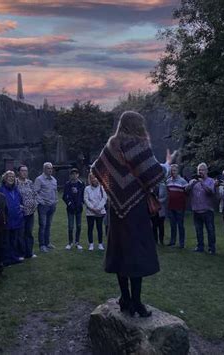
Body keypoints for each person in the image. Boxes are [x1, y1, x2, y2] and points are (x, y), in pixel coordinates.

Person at [92, 111, 171, 318]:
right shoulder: (139, 145)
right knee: (136, 253)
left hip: (116, 209)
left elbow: (98, 170)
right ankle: (136, 301)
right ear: (137, 126)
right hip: (136, 209)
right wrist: (168, 165)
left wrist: (116, 190)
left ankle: (125, 298)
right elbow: (155, 174)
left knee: (120, 252)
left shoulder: (111, 146)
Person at [187, 163, 216, 254]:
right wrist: (191, 184)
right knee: (198, 230)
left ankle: (212, 248)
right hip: (196, 209)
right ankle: (200, 247)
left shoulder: (211, 181)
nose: (200, 172)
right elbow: (186, 191)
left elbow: (211, 192)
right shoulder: (193, 181)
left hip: (207, 210)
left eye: (202, 170)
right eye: (199, 170)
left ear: (206, 171)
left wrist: (202, 182)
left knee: (210, 230)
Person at [0, 171, 24, 265]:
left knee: (14, 240)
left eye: (13, 176)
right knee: (6, 241)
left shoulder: (16, 190)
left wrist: (21, 210)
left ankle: (14, 257)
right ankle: (6, 259)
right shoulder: (0, 190)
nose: (11, 178)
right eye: (9, 176)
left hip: (16, 219)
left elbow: (20, 201)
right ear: (5, 178)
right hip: (6, 219)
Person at [34, 162, 58, 252]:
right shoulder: (39, 179)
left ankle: (48, 243)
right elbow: (35, 192)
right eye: (48, 168)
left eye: (51, 168)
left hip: (52, 205)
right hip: (43, 206)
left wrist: (56, 201)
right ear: (44, 169)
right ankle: (42, 245)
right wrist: (41, 202)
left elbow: (55, 192)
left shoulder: (54, 180)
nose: (50, 170)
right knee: (43, 225)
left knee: (48, 225)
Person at [16, 165, 37, 258]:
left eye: (26, 171)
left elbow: (34, 194)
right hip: (21, 213)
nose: (24, 172)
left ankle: (29, 252)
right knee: (21, 233)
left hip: (31, 212)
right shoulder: (15, 182)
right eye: (22, 171)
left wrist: (35, 203)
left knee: (29, 233)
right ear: (18, 172)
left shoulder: (30, 182)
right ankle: (21, 253)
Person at [84, 173, 107, 251]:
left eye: (95, 178)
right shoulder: (87, 188)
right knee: (90, 228)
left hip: (100, 212)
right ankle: (91, 244)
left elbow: (104, 198)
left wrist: (98, 208)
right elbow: (86, 199)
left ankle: (100, 244)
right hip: (90, 212)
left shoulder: (102, 188)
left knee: (99, 228)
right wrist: (92, 208)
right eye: (92, 178)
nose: (94, 180)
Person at [63, 168, 85, 250]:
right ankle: (70, 243)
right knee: (71, 226)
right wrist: (69, 203)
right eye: (72, 174)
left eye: (76, 173)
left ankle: (77, 242)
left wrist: (81, 202)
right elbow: (64, 196)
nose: (74, 175)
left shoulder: (81, 184)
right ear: (70, 175)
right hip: (70, 209)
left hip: (79, 208)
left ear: (78, 175)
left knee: (79, 226)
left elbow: (83, 195)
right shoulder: (67, 184)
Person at [166, 164, 187, 248]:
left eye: (174, 170)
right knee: (172, 225)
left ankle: (181, 243)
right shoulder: (168, 181)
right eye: (171, 170)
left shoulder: (183, 181)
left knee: (180, 225)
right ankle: (172, 241)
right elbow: (168, 192)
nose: (172, 172)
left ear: (177, 171)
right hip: (171, 206)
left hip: (180, 207)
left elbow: (186, 193)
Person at [151, 180, 168, 245]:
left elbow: (165, 196)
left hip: (161, 208)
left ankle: (161, 240)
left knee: (161, 225)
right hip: (153, 208)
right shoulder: (151, 186)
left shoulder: (163, 186)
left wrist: (159, 201)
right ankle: (155, 240)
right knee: (154, 225)